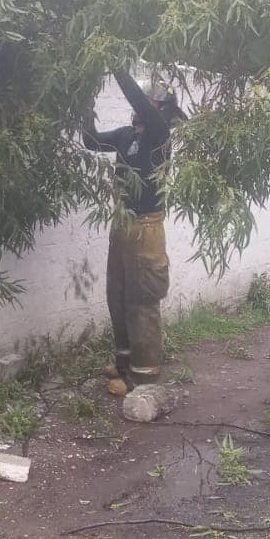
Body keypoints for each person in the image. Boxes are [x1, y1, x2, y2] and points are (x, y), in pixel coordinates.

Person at [83, 69, 185, 396]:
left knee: (142, 301)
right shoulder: (127, 135)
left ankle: (144, 379)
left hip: (146, 228)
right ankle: (124, 364)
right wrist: (84, 104)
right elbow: (91, 140)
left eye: (152, 101)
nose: (143, 106)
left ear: (160, 107)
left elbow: (136, 97)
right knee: (118, 295)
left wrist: (114, 64)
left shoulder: (160, 133)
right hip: (122, 224)